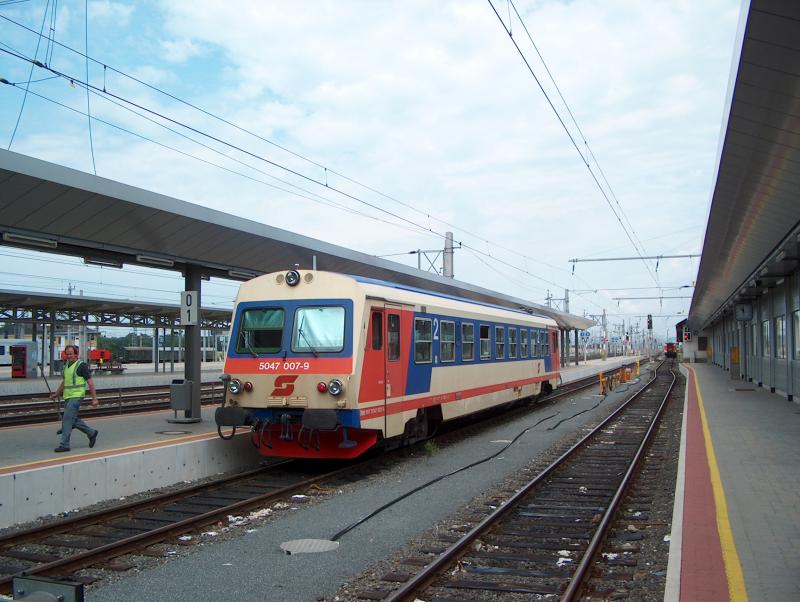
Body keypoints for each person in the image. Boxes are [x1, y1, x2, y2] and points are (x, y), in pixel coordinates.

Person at [50, 345, 99, 452]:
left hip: (77, 396)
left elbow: (90, 382)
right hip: (67, 396)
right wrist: (57, 394)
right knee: (72, 418)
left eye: (71, 354)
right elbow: (65, 382)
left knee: (67, 419)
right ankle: (91, 433)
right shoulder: (66, 365)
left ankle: (64, 445)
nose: (69, 356)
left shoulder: (81, 365)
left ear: (76, 354)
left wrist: (94, 398)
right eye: (67, 354)